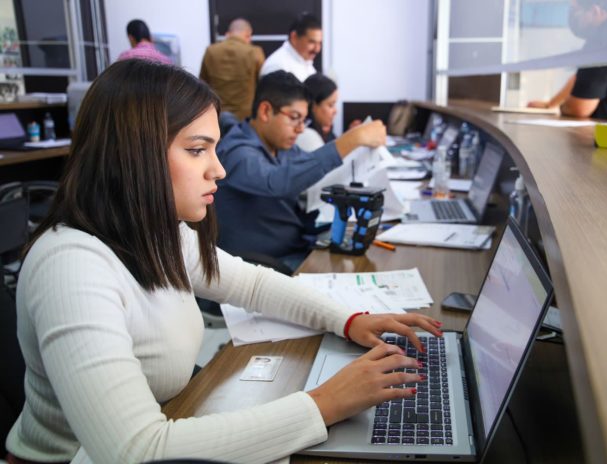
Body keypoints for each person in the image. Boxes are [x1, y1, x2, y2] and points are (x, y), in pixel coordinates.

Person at [5, 60, 442, 464]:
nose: (219, 170)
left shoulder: (155, 232)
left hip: (176, 410)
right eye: (198, 150)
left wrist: (349, 320)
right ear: (135, 154)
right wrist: (326, 403)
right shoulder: (71, 266)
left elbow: (252, 284)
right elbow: (134, 450)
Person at [215, 70, 387, 270]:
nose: (301, 129)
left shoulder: (280, 147)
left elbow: (307, 168)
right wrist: (351, 140)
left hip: (298, 245)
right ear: (265, 111)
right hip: (267, 264)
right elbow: (277, 182)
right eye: (294, 118)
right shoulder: (236, 152)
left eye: (303, 120)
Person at [527, 0, 607, 121]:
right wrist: (550, 104)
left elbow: (579, 109)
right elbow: (581, 80)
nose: (572, 16)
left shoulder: (604, 39)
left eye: (575, 10)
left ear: (595, 11)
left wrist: (562, 107)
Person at [199, 18, 265, 121]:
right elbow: (263, 85)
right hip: (244, 118)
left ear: (228, 34)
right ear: (248, 35)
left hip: (217, 115)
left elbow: (202, 84)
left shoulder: (211, 51)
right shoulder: (254, 52)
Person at [260, 12, 321, 82]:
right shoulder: (277, 66)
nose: (317, 49)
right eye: (312, 42)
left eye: (319, 43)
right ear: (294, 37)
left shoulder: (306, 63)